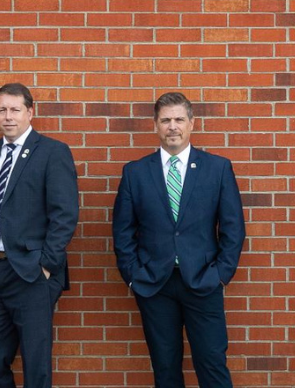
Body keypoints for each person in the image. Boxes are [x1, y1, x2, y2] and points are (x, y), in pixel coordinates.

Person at [110, 92, 245, 388]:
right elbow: (122, 231)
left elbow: (234, 228)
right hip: (154, 284)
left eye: (179, 119)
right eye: (166, 120)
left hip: (203, 281)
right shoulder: (135, 172)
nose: (173, 126)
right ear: (155, 125)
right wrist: (134, 275)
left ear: (192, 123)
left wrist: (221, 273)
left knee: (212, 364)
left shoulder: (217, 168)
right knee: (165, 368)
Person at [0, 83, 79, 388]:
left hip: (32, 273)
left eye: (15, 110)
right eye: (2, 110)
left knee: (35, 362)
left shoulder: (53, 152)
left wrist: (46, 264)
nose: (8, 117)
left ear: (31, 112)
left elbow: (65, 214)